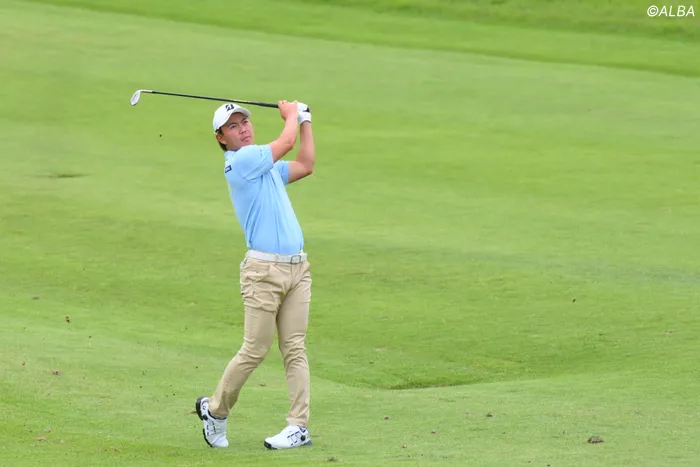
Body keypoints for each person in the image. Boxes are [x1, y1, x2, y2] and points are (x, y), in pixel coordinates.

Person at [195, 99, 315, 450]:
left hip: (298, 268)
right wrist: (291, 115)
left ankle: (298, 426)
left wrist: (305, 120)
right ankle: (216, 412)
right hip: (263, 272)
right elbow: (286, 143)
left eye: (244, 122)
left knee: (295, 348)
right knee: (255, 350)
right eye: (232, 126)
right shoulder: (243, 161)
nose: (242, 128)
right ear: (221, 138)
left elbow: (306, 165)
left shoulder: (265, 165)